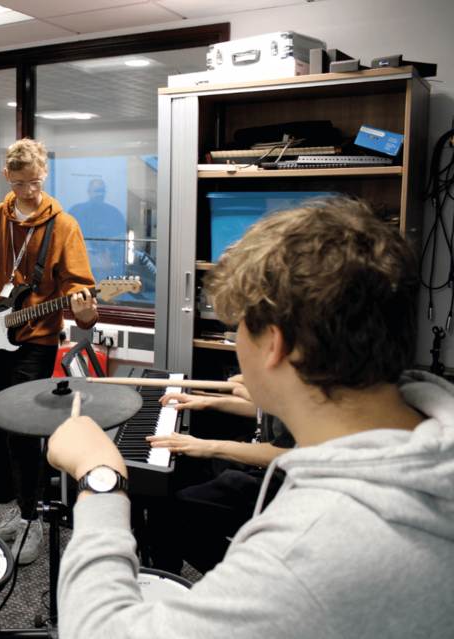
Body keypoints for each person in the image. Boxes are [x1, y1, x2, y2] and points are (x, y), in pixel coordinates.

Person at [48, 197, 454, 638]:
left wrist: (100, 478)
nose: (235, 339)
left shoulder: (307, 552)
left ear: (275, 344)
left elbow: (95, 632)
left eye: (237, 325)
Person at [0, 138, 98, 564]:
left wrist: (85, 313)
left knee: (26, 431)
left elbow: (78, 291)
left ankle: (34, 523)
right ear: (6, 178)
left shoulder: (64, 226)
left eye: (35, 182)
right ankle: (23, 513)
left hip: (36, 342)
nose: (29, 191)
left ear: (45, 174)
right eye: (19, 184)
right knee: (6, 428)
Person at [143, 376, 293, 574]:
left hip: (285, 483)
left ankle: (245, 582)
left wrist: (211, 447)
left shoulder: (305, 376)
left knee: (177, 512)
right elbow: (266, 411)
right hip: (262, 465)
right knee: (169, 476)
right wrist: (209, 402)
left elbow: (289, 453)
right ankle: (164, 576)